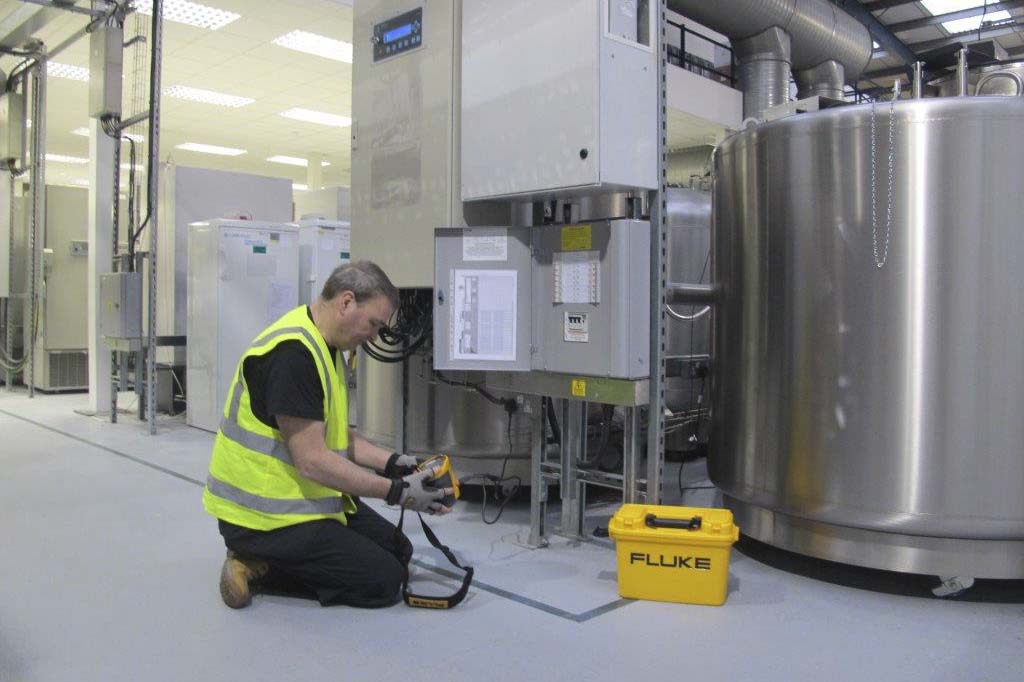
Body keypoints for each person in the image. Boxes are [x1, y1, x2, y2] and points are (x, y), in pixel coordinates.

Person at [202, 260, 453, 609]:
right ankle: (254, 561)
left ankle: (271, 559)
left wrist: (395, 463)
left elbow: (334, 434)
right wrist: (395, 492)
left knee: (399, 549)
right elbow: (313, 461)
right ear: (346, 302)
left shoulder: (326, 344)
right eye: (374, 323)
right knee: (382, 582)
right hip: (261, 517)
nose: (376, 335)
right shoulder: (293, 356)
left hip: (302, 502)